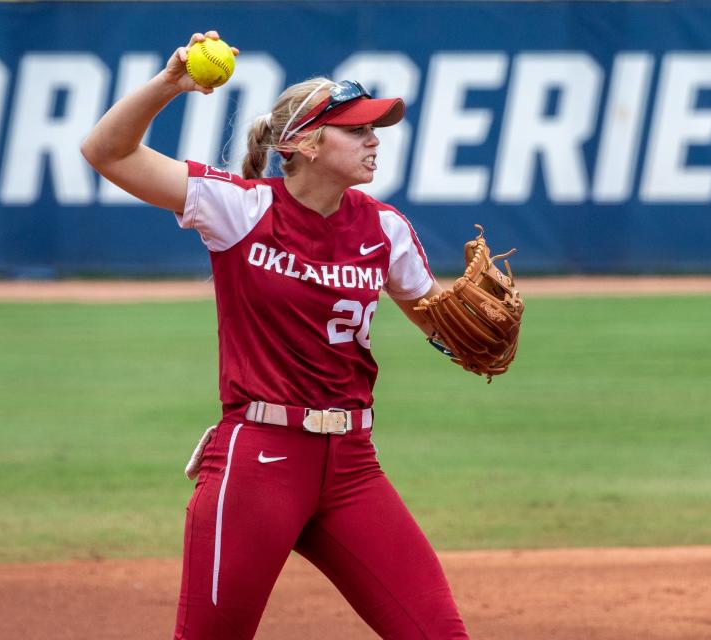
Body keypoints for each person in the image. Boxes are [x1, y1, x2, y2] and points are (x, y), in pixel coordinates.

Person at [81, 31, 469, 639]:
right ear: (303, 144)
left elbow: (440, 324)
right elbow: (108, 152)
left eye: (376, 129)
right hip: (258, 463)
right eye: (357, 130)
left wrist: (463, 336)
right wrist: (169, 85)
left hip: (352, 468)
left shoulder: (385, 229)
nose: (374, 141)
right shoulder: (239, 208)